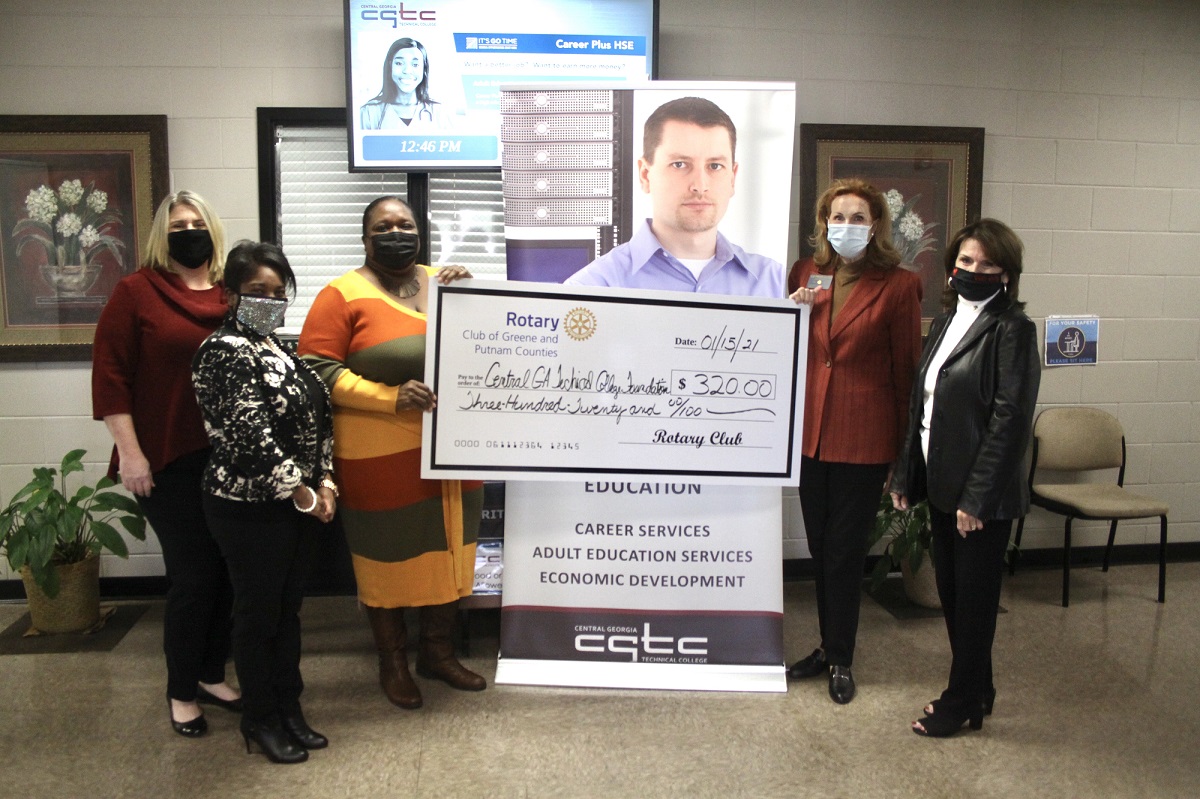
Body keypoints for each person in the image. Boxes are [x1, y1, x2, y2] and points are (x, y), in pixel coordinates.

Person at [297, 196, 483, 711]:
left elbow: (485, 341)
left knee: (451, 546)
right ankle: (393, 661)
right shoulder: (341, 294)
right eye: (384, 226)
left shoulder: (443, 281)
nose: (396, 232)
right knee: (388, 556)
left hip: (454, 448)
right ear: (365, 237)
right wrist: (390, 397)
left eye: (406, 225)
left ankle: (438, 654)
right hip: (379, 452)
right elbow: (315, 369)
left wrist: (475, 296)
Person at [91, 190, 242, 738]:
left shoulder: (232, 293)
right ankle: (181, 691)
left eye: (197, 222)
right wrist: (130, 455)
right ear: (162, 234)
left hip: (229, 460)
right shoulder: (135, 293)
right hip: (165, 460)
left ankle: (210, 673)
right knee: (194, 577)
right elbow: (110, 378)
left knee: (227, 573)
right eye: (177, 224)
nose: (188, 231)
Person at [889, 219, 1040, 737]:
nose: (975, 270)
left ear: (1007, 273)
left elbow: (1010, 421)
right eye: (967, 261)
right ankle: (982, 688)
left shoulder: (1012, 330)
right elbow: (921, 407)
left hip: (981, 498)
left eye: (988, 264)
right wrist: (908, 473)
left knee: (972, 604)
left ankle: (960, 703)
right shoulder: (947, 321)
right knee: (956, 598)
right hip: (942, 485)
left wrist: (976, 498)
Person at [192, 241, 336, 764]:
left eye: (279, 292)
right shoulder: (223, 350)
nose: (270, 301)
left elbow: (318, 417)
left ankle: (289, 709)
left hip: (297, 504)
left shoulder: (280, 347)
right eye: (257, 292)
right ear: (230, 294)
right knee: (257, 618)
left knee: (288, 612)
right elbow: (247, 434)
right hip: (249, 506)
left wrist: (326, 483)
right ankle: (260, 719)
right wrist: (299, 491)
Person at [787, 178, 922, 704]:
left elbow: (906, 372)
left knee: (844, 552)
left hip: (864, 440)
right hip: (809, 435)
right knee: (822, 550)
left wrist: (901, 455)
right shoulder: (807, 273)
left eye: (858, 218)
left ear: (876, 226)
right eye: (837, 217)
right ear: (823, 223)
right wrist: (791, 312)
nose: (846, 227)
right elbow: (794, 350)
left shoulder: (899, 285)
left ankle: (840, 657)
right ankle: (826, 645)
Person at [564, 96, 784, 296]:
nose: (700, 186)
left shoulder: (775, 284)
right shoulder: (591, 291)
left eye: (715, 166)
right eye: (679, 164)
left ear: (732, 178)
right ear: (645, 175)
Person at [360, 37, 444, 131]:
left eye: (415, 64)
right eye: (399, 63)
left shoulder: (439, 112)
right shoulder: (369, 112)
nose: (407, 71)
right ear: (390, 66)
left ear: (424, 69)